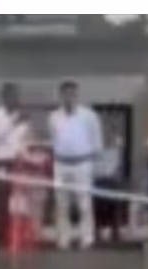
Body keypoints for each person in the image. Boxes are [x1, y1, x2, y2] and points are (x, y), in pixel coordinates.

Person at [48, 80, 104, 250]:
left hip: (83, 163)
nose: (69, 97)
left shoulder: (89, 115)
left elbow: (97, 141)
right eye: (65, 94)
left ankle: (86, 237)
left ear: (77, 95)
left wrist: (95, 165)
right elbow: (53, 141)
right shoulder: (53, 117)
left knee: (84, 203)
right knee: (61, 203)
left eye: (72, 94)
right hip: (61, 164)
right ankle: (63, 238)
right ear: (61, 96)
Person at [0, 83, 29, 247]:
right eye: (10, 95)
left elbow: (22, 142)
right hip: (1, 162)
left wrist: (27, 157)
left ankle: (16, 235)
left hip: (18, 163)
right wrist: (14, 122)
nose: (14, 99)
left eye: (16, 95)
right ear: (3, 97)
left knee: (19, 203)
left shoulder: (22, 116)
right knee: (1, 202)